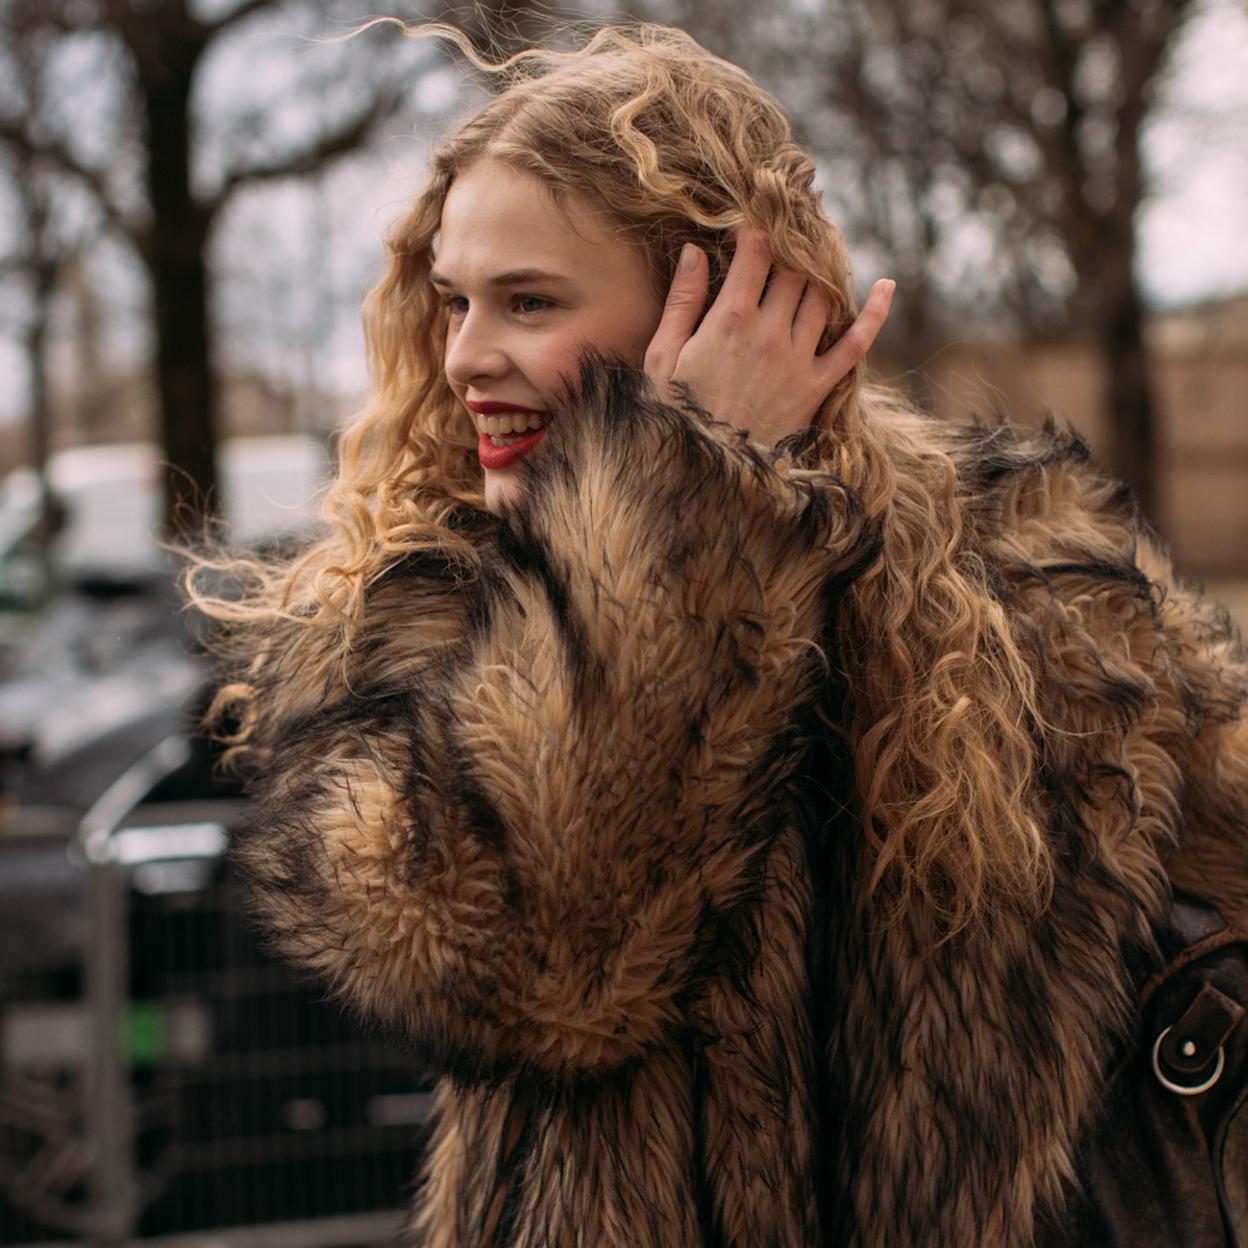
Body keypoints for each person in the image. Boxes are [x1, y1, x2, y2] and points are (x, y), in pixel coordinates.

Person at [186, 22, 1248, 1248]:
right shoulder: (430, 600)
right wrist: (685, 495)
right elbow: (529, 971)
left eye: (529, 301)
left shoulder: (1024, 578)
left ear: (739, 298)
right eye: (456, 302)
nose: (468, 357)